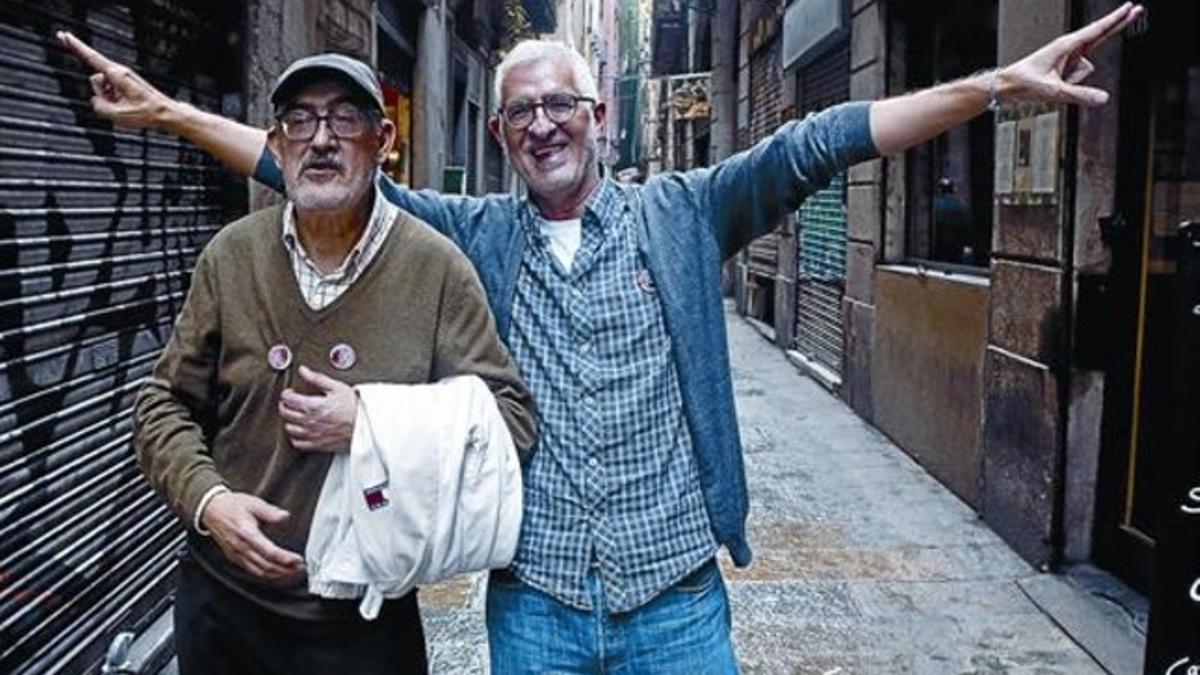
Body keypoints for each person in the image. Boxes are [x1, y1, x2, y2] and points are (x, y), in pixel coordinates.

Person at [60, 3, 1143, 671]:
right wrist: (168, 115)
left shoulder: (683, 215)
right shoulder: (474, 237)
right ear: (499, 135)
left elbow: (818, 142)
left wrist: (999, 84)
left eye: (561, 105)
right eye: (520, 112)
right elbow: (308, 163)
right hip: (536, 610)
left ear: (601, 118)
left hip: (678, 605)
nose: (542, 124)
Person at [128, 52, 536, 674]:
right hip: (224, 609)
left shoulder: (436, 269)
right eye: (300, 120)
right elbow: (163, 406)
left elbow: (512, 424)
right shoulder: (231, 257)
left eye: (346, 119)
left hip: (364, 622)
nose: (321, 139)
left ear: (383, 140)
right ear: (277, 143)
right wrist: (210, 503)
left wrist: (371, 424)